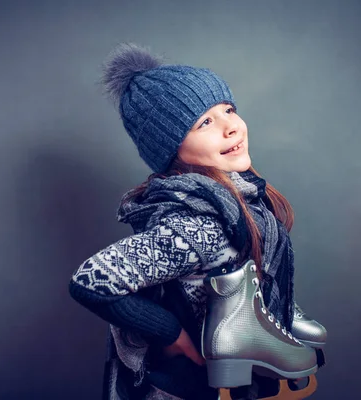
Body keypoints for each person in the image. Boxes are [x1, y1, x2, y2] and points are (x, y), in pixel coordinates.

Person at [69, 43, 326, 400]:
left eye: (229, 110)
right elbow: (90, 281)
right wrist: (171, 334)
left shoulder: (240, 200)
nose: (231, 127)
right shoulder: (198, 224)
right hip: (184, 387)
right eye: (205, 122)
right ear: (171, 148)